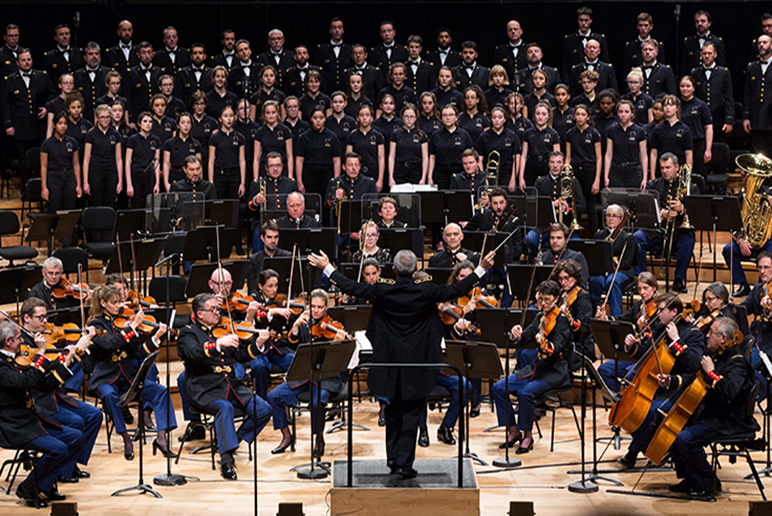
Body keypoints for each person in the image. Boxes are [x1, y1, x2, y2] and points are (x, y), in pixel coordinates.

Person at [310, 247, 495, 478]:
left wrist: (327, 266)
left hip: (388, 363)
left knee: (393, 411)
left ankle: (392, 461)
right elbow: (457, 288)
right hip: (418, 364)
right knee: (412, 413)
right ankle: (404, 464)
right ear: (416, 269)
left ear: (394, 269)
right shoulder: (427, 290)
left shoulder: (383, 290)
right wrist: (481, 269)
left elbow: (351, 286)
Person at [177, 292, 273, 480]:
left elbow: (241, 356)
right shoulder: (188, 332)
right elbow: (192, 353)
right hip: (204, 388)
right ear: (199, 314)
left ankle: (231, 441)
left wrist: (258, 344)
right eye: (212, 309)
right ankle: (226, 459)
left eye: (217, 309)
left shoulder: (224, 329)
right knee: (224, 407)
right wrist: (217, 344)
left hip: (231, 385)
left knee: (263, 409)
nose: (217, 312)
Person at [668, 317, 757, 497]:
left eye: (711, 333)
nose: (707, 335)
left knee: (686, 438)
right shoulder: (718, 355)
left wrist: (712, 373)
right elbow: (697, 379)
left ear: (723, 338)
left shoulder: (736, 361)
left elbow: (730, 391)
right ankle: (692, 479)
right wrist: (670, 381)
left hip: (730, 419)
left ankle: (708, 483)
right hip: (715, 413)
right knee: (673, 427)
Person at [0, 319, 85, 508]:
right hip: (13, 426)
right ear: (8, 342)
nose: (22, 341)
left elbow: (44, 385)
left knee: (76, 437)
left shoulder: (18, 358)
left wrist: (67, 361)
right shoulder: (1, 366)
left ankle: (44, 484)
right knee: (59, 449)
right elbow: (24, 382)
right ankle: (29, 486)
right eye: (19, 338)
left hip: (30, 420)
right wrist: (40, 353)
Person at [616, 293, 706, 470]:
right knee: (637, 409)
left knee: (651, 411)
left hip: (680, 388)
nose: (657, 314)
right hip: (658, 383)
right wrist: (632, 346)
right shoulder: (659, 327)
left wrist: (677, 341)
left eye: (661, 310)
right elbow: (646, 353)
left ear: (674, 311)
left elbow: (695, 364)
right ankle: (647, 446)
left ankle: (633, 453)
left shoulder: (693, 333)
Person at [86, 285, 176, 461]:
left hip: (127, 377)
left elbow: (138, 352)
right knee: (109, 396)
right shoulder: (95, 324)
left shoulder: (125, 322)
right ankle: (126, 438)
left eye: (120, 301)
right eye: (114, 302)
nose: (119, 305)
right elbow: (111, 344)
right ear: (103, 303)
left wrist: (156, 337)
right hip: (106, 378)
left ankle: (162, 437)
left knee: (161, 391)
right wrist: (133, 327)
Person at [19, 298, 102, 484]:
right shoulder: (21, 343)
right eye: (40, 318)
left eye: (45, 317)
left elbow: (53, 360)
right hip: (39, 401)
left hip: (53, 395)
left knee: (95, 414)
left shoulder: (43, 337)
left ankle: (70, 463)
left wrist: (73, 352)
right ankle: (64, 469)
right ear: (26, 318)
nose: (44, 322)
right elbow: (43, 371)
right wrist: (72, 353)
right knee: (77, 421)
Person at [267, 288, 351, 457]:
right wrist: (296, 325)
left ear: (326, 307)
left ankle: (319, 438)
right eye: (313, 306)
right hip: (304, 377)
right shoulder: (304, 323)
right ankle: (286, 436)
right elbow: (291, 344)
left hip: (326, 378)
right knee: (273, 396)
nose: (316, 310)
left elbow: (341, 360)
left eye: (320, 307)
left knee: (317, 401)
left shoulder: (334, 326)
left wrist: (338, 342)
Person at [494, 279, 571, 453]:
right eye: (540, 299)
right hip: (536, 368)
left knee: (525, 392)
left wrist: (544, 344)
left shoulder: (562, 321)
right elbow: (525, 337)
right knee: (498, 387)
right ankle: (513, 431)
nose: (542, 304)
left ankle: (528, 436)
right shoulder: (539, 317)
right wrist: (516, 334)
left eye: (547, 300)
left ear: (557, 299)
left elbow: (556, 347)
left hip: (554, 372)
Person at [635, 153, 698, 294]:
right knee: (637, 237)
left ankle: (678, 280)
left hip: (679, 230)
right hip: (658, 230)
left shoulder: (691, 187)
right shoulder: (653, 185)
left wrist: (682, 209)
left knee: (688, 242)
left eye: (668, 167)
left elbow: (697, 212)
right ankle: (643, 281)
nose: (664, 171)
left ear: (676, 167)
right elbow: (645, 207)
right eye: (662, 168)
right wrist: (662, 213)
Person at [596, 272, 659, 392]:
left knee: (628, 373)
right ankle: (619, 399)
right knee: (604, 369)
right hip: (632, 353)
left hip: (648, 355)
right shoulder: (639, 305)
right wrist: (606, 318)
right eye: (640, 289)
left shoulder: (660, 308)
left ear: (654, 288)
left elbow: (655, 337)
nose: (642, 292)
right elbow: (622, 319)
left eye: (646, 288)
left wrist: (642, 329)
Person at [2, 48, 54, 189]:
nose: (27, 62)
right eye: (23, 60)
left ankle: (40, 188)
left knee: (39, 158)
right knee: (24, 160)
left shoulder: (42, 76)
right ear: (18, 63)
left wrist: (46, 107)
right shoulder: (9, 80)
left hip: (39, 126)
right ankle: (26, 189)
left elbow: (52, 94)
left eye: (29, 59)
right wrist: (8, 124)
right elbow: (5, 104)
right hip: (20, 127)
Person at [528, 151, 585, 257]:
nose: (555, 166)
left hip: (567, 226)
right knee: (530, 238)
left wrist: (567, 207)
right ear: (548, 164)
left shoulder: (572, 181)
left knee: (576, 243)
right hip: (545, 226)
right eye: (552, 162)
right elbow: (533, 207)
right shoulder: (540, 182)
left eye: (558, 162)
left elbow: (582, 206)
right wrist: (551, 205)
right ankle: (538, 265)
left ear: (563, 164)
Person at [589, 204, 637, 317]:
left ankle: (616, 316)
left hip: (622, 271)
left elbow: (627, 262)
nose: (611, 218)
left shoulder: (628, 237)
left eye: (614, 216)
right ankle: (593, 313)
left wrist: (611, 263)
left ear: (621, 219)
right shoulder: (599, 235)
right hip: (603, 270)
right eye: (608, 215)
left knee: (612, 281)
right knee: (595, 280)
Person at [739, 252, 772, 397]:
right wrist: (731, 305)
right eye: (760, 267)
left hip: (769, 341)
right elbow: (744, 309)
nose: (762, 271)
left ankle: (764, 393)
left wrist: (768, 312)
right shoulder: (758, 288)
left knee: (744, 365)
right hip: (754, 336)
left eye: (766, 267)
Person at [565, 104, 602, 233]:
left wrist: (597, 179)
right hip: (575, 171)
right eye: (578, 114)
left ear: (588, 117)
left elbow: (599, 157)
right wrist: (566, 173)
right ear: (574, 116)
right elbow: (568, 156)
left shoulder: (594, 133)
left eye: (583, 115)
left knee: (591, 207)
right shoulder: (570, 133)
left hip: (589, 171)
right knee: (577, 206)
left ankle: (595, 236)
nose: (580, 117)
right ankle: (576, 235)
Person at [690, 42, 734, 143]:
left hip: (719, 118)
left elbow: (728, 97)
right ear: (701, 55)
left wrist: (729, 120)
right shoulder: (695, 73)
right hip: (700, 119)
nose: (707, 56)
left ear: (715, 54)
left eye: (709, 53)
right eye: (704, 53)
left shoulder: (724, 73)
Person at [295, 106, 342, 199]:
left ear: (325, 118)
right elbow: (299, 161)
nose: (318, 121)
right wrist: (299, 182)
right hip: (309, 175)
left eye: (321, 118)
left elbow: (337, 161)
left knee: (327, 206)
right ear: (311, 119)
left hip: (327, 175)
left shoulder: (332, 137)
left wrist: (336, 182)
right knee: (312, 204)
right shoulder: (304, 137)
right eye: (315, 118)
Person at [40, 111, 82, 213]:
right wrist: (44, 187)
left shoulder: (72, 142)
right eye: (60, 123)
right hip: (54, 178)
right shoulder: (47, 144)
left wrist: (78, 185)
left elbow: (76, 164)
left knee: (69, 209)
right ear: (54, 125)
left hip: (69, 177)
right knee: (54, 208)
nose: (63, 126)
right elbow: (43, 166)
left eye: (65, 123)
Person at [554, 259, 595, 361]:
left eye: (566, 278)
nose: (563, 282)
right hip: (562, 340)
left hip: (578, 346)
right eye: (560, 279)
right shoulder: (561, 294)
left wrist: (570, 319)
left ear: (575, 278)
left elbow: (584, 328)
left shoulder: (583, 298)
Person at [83, 104, 123, 207]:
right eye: (102, 117)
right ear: (97, 118)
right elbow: (86, 160)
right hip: (96, 171)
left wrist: (120, 181)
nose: (105, 120)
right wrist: (85, 182)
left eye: (107, 117)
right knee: (97, 202)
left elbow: (118, 159)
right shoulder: (91, 134)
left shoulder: (115, 134)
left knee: (110, 202)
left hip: (111, 172)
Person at [604, 99, 648, 191]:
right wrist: (606, 175)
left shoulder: (639, 131)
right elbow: (608, 154)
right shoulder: (611, 130)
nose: (623, 114)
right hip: (617, 169)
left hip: (634, 169)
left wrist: (644, 178)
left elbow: (643, 156)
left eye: (626, 112)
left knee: (633, 200)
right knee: (617, 200)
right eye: (620, 112)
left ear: (632, 113)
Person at [325, 152, 377, 227]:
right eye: (350, 165)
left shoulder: (369, 183)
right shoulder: (335, 182)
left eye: (356, 165)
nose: (353, 168)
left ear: (359, 167)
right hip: (340, 226)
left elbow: (373, 207)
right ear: (343, 167)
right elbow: (327, 208)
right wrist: (335, 199)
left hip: (363, 226)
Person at [428, 104, 474, 189]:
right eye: (445, 115)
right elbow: (432, 157)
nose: (448, 118)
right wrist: (429, 177)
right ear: (441, 118)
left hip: (460, 173)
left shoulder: (464, 134)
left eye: (451, 115)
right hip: (440, 173)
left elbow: (470, 155)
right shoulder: (435, 135)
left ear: (456, 117)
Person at [475, 106, 520, 192]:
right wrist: (483, 178)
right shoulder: (483, 137)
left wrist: (513, 179)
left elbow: (516, 159)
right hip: (489, 175)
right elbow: (479, 159)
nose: (497, 120)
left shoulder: (512, 136)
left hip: (506, 174)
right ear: (491, 119)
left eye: (500, 117)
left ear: (505, 119)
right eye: (494, 117)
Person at [518, 101, 561, 189]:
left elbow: (557, 157)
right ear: (534, 115)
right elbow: (523, 156)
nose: (540, 117)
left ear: (548, 116)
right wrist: (521, 177)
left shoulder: (553, 134)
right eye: (538, 114)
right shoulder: (528, 133)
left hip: (546, 167)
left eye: (544, 114)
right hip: (531, 167)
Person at [649, 95, 694, 178]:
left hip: (679, 170)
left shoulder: (685, 129)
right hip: (662, 170)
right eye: (665, 105)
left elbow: (688, 154)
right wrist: (652, 176)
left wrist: (687, 175)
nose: (668, 108)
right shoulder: (657, 129)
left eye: (671, 105)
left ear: (677, 108)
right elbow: (653, 154)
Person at [208, 104, 246, 200]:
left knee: (234, 204)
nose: (228, 119)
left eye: (231, 116)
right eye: (225, 116)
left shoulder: (239, 137)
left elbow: (242, 161)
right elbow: (211, 161)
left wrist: (242, 183)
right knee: (218, 204)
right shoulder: (215, 138)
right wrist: (211, 182)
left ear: (235, 117)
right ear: (220, 119)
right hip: (219, 174)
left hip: (234, 175)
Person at [742, 35, 772, 157]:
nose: (761, 45)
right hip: (756, 119)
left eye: (765, 42)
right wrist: (746, 117)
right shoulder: (751, 67)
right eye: (759, 43)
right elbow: (747, 94)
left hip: (770, 119)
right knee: (757, 154)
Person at [124, 111, 161, 209]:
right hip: (136, 175)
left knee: (149, 206)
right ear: (139, 124)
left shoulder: (155, 140)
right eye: (145, 121)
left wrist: (157, 183)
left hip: (149, 176)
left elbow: (157, 162)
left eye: (150, 121)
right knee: (136, 205)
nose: (148, 124)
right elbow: (128, 162)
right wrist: (129, 184)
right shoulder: (133, 139)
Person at [562, 6, 610, 81]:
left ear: (591, 20)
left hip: (596, 79)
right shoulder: (569, 39)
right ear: (577, 20)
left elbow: (605, 62)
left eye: (586, 20)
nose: (583, 23)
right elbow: (566, 64)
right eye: (581, 20)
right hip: (577, 80)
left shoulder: (600, 38)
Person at [679, 75, 713, 176]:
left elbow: (709, 127)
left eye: (688, 86)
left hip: (698, 145)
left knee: (699, 176)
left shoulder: (701, 105)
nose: (685, 89)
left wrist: (708, 150)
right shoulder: (676, 105)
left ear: (693, 88)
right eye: (682, 86)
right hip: (681, 145)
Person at [247, 220, 292, 295]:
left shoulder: (288, 256)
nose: (273, 241)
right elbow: (252, 289)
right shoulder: (254, 260)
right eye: (269, 237)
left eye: (276, 237)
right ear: (262, 238)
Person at [389, 103, 428, 185]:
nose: (409, 119)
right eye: (406, 116)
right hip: (400, 170)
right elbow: (392, 156)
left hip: (416, 171)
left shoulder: (421, 135)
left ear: (416, 117)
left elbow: (425, 158)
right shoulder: (396, 134)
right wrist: (391, 177)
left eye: (412, 117)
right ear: (402, 117)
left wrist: (423, 177)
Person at [346, 104, 385, 188]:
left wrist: (380, 179)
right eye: (361, 115)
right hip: (356, 172)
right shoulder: (352, 136)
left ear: (371, 118)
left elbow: (381, 158)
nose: (364, 118)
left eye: (367, 115)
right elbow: (348, 158)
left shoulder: (378, 136)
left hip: (373, 172)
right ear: (357, 118)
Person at [541, 222, 589, 288]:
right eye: (552, 238)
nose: (555, 241)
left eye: (559, 238)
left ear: (566, 240)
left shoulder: (577, 257)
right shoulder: (543, 257)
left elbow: (582, 285)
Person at [124, 41, 162, 124]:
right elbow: (129, 98)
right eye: (143, 53)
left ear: (153, 54)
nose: (146, 56)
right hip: (138, 116)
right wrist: (130, 120)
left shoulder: (159, 72)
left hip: (156, 115)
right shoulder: (131, 73)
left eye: (149, 53)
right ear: (138, 55)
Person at [253, 100, 293, 178]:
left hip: (282, 170)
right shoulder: (260, 132)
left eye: (273, 112)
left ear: (277, 113)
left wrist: (290, 176)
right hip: (265, 170)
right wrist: (256, 179)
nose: (271, 116)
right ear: (264, 114)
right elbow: (256, 158)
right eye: (268, 113)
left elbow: (290, 156)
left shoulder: (285, 131)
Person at [315, 18, 353, 94]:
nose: (337, 30)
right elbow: (317, 71)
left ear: (343, 30)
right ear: (330, 31)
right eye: (334, 28)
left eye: (339, 27)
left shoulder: (350, 49)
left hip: (346, 90)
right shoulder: (321, 49)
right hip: (326, 90)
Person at [175, 42, 212, 110]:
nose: (197, 56)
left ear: (205, 56)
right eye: (195, 53)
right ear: (191, 56)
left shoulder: (211, 73)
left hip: (208, 112)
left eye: (200, 53)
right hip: (187, 111)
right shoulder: (182, 73)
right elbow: (179, 96)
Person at [46, 73, 75, 138]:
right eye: (65, 83)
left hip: (74, 138)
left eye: (70, 83)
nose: (68, 85)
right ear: (60, 85)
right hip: (58, 139)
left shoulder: (77, 103)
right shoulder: (53, 104)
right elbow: (50, 128)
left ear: (73, 85)